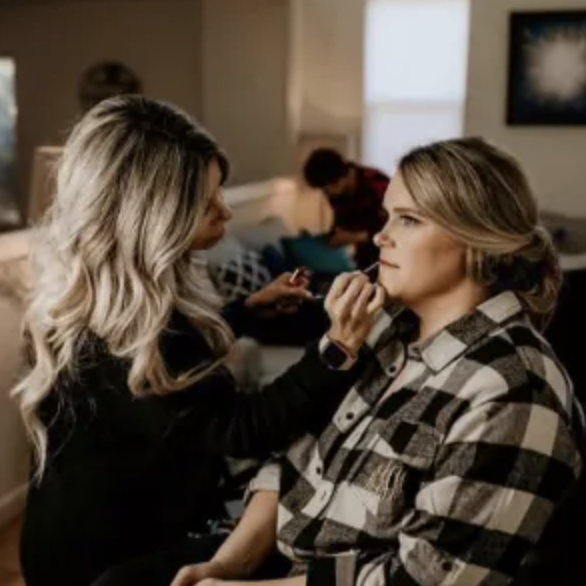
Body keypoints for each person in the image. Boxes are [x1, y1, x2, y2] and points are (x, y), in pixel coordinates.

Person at [96, 137, 585, 586]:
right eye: (386, 215)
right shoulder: (385, 330)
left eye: (408, 219)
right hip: (279, 553)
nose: (378, 237)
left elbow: (421, 580)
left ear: (478, 239)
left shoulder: (515, 390)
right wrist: (230, 563)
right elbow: (294, 455)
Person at [13, 95, 386, 586]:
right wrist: (336, 348)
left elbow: (163, 383)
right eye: (206, 201)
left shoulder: (97, 310)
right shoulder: (143, 332)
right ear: (152, 213)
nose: (225, 212)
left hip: (56, 538)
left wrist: (244, 313)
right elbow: (246, 429)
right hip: (109, 562)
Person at [302, 148, 389, 270]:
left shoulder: (377, 183)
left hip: (387, 258)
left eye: (326, 189)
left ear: (338, 179)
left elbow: (393, 231)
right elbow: (341, 224)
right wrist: (324, 239)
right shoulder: (336, 194)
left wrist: (356, 237)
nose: (327, 194)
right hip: (364, 258)